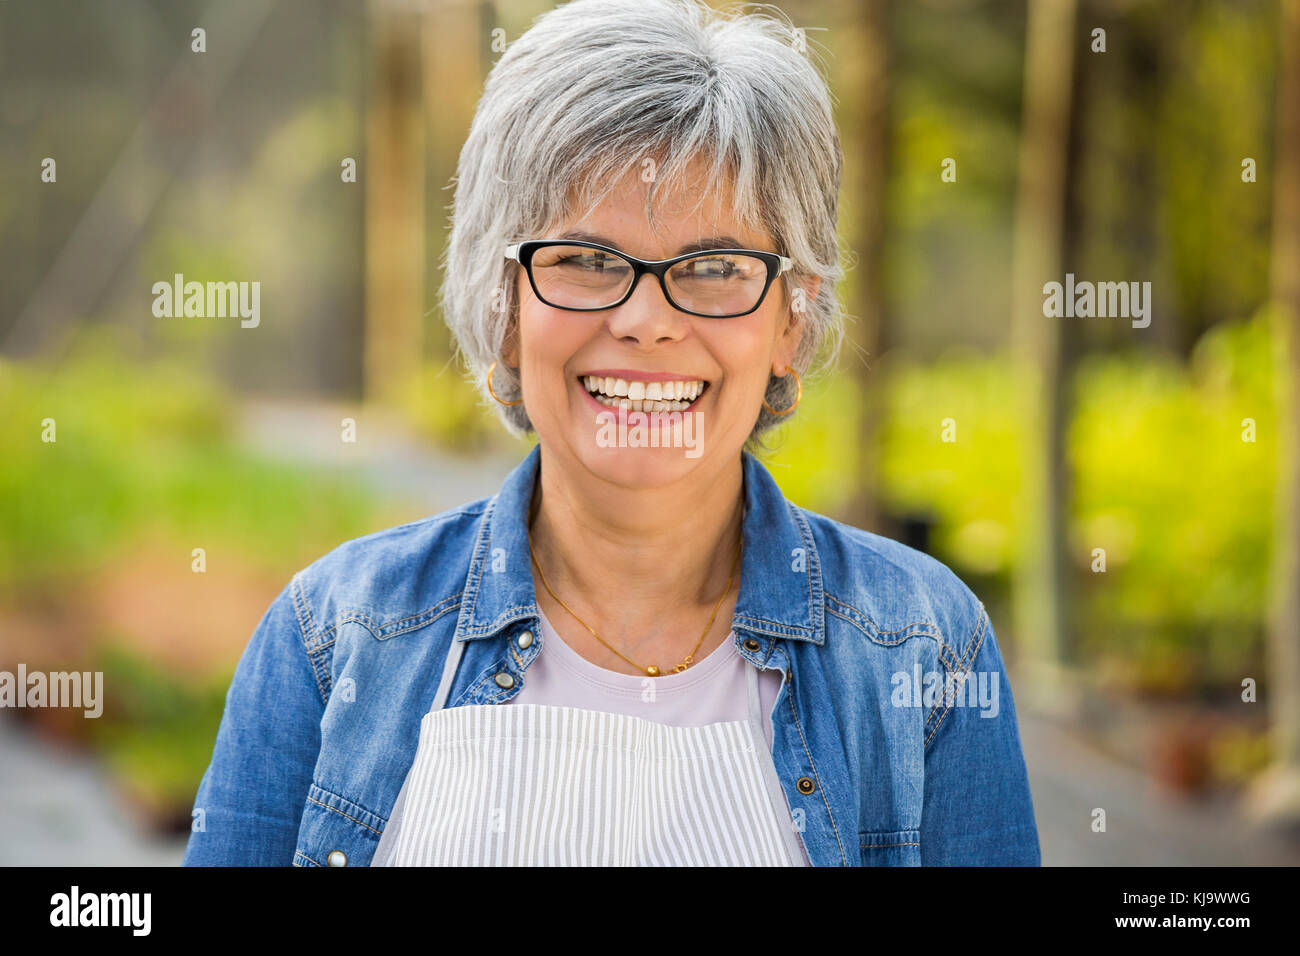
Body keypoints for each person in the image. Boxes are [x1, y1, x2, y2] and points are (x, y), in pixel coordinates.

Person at [183, 0, 1040, 867]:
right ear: (503, 304)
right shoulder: (332, 635)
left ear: (791, 318)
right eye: (587, 261)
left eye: (713, 267)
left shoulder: (928, 646)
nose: (645, 318)